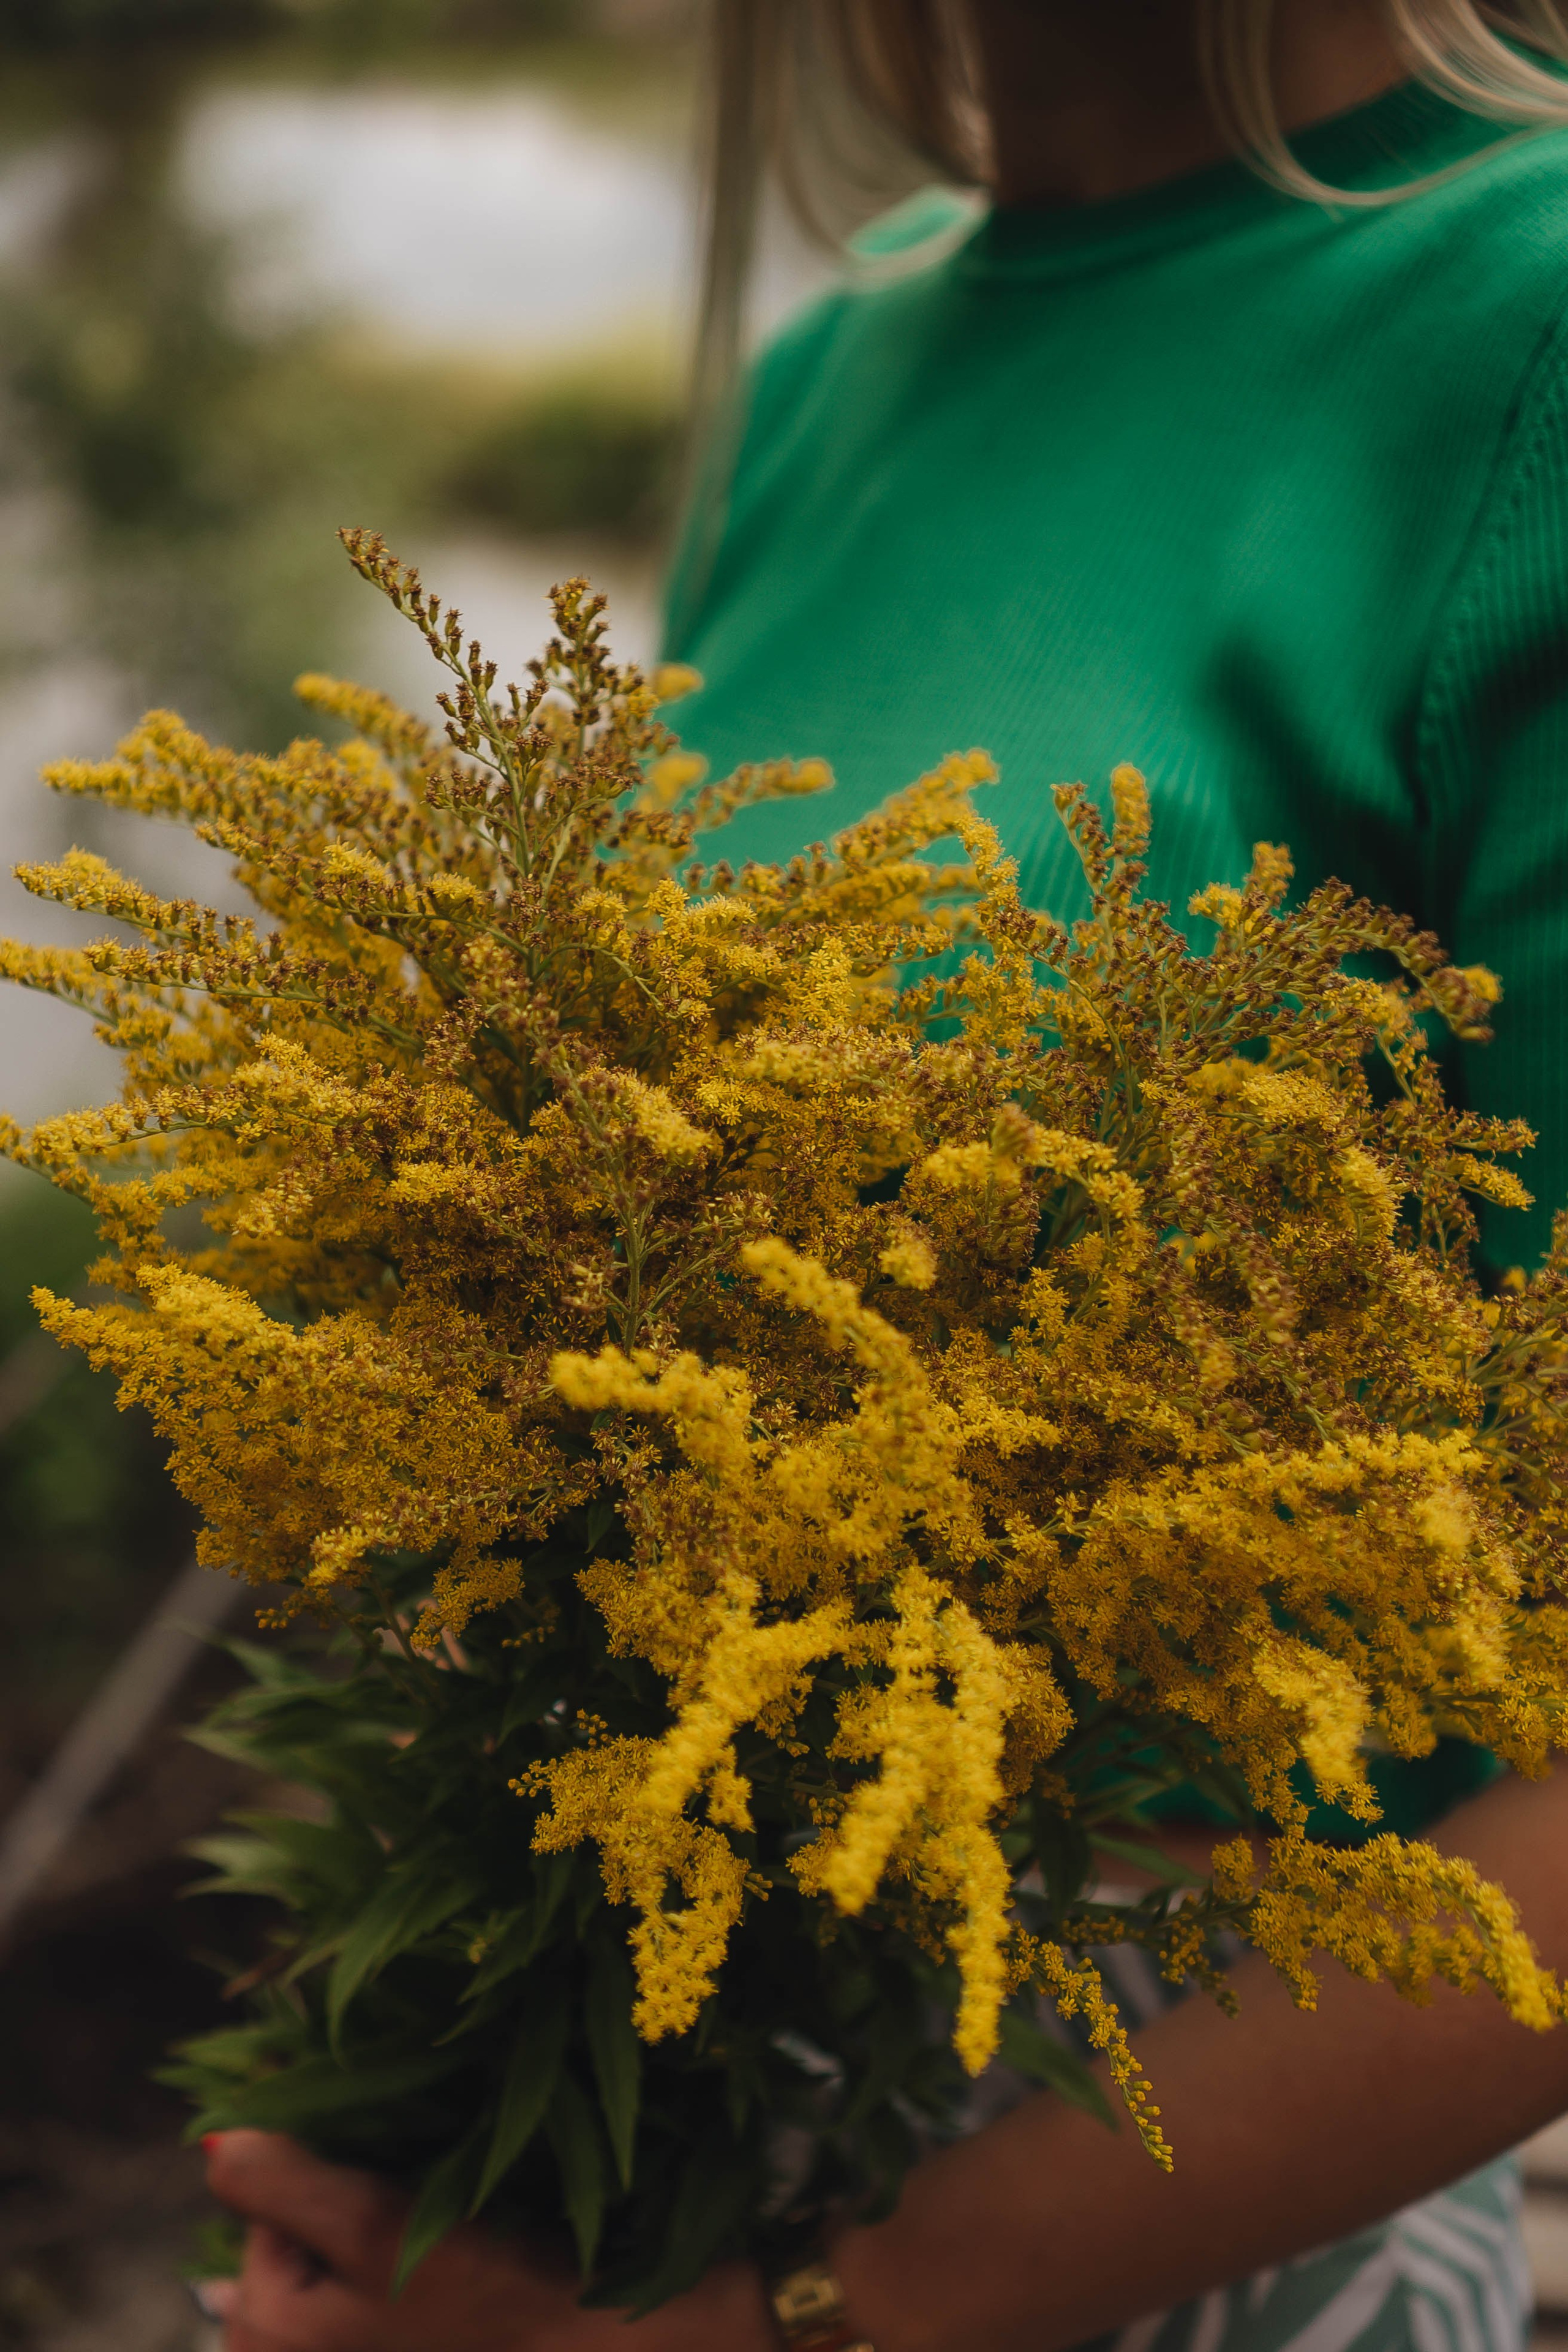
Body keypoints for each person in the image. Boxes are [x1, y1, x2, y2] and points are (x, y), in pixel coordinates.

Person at [198, 3, 1568, 2346]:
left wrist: (802, 2320)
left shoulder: (1525, 333)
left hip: (1143, 2220)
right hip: (641, 2090)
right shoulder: (842, 369)